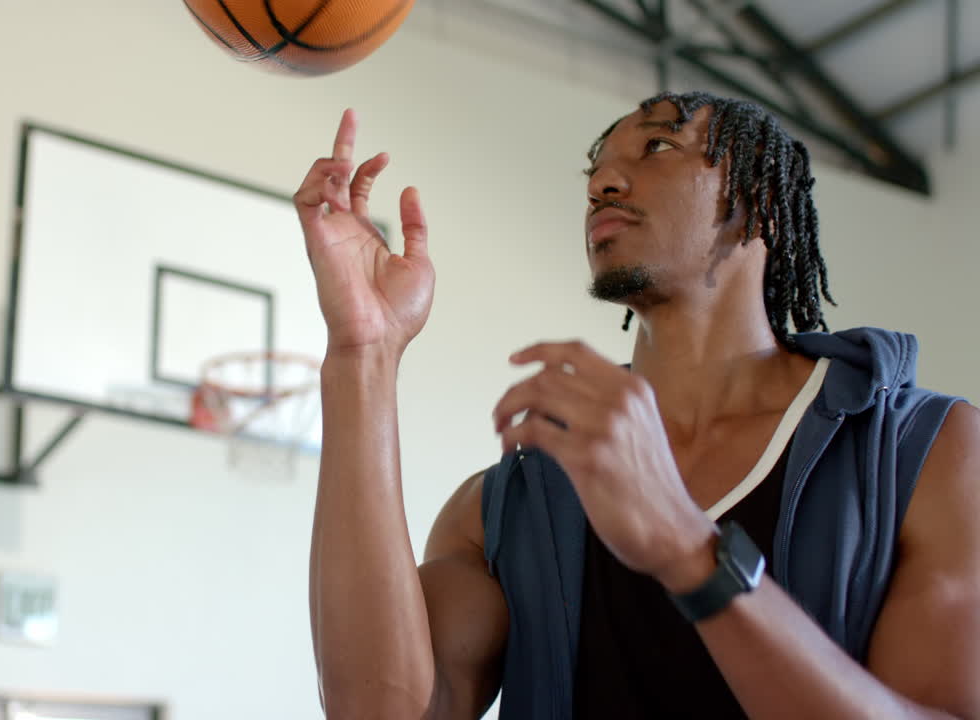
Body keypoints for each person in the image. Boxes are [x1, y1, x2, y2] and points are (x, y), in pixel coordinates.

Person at [297, 91, 980, 719]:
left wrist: (688, 550)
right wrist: (364, 354)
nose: (602, 185)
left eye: (657, 146)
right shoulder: (504, 505)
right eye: (596, 171)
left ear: (762, 201)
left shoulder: (929, 452)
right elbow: (377, 710)